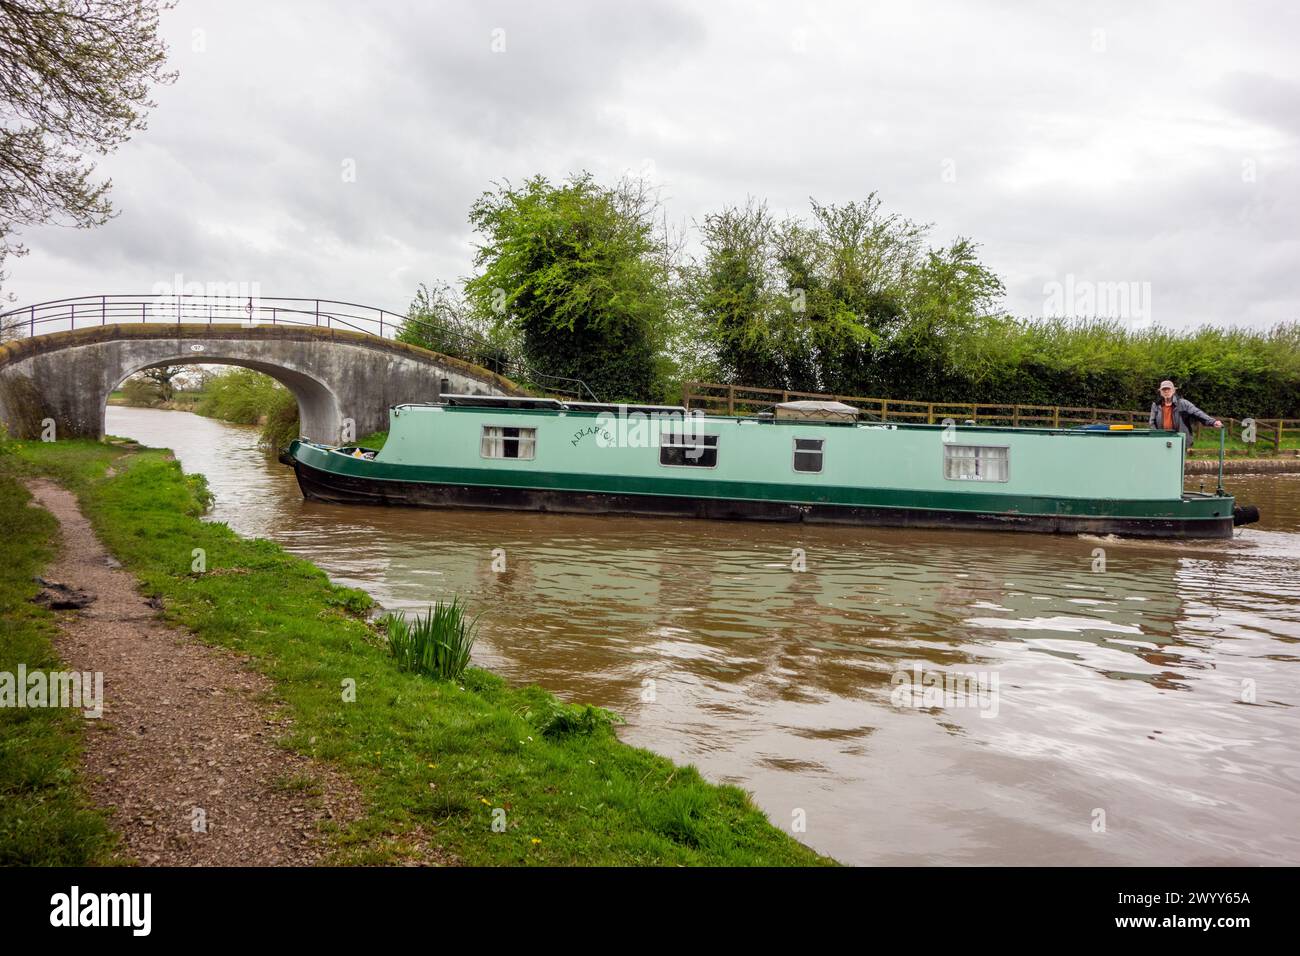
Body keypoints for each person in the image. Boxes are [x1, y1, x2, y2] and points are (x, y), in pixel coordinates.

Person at [1148, 380, 1221, 445]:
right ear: (1161, 392)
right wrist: (1156, 436)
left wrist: (1212, 422)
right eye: (1164, 390)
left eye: (1168, 389)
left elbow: (1197, 412)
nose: (1166, 391)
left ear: (1173, 391)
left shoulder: (1183, 403)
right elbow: (1152, 422)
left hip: (1179, 438)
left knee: (1178, 460)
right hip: (1162, 438)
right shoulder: (1156, 405)